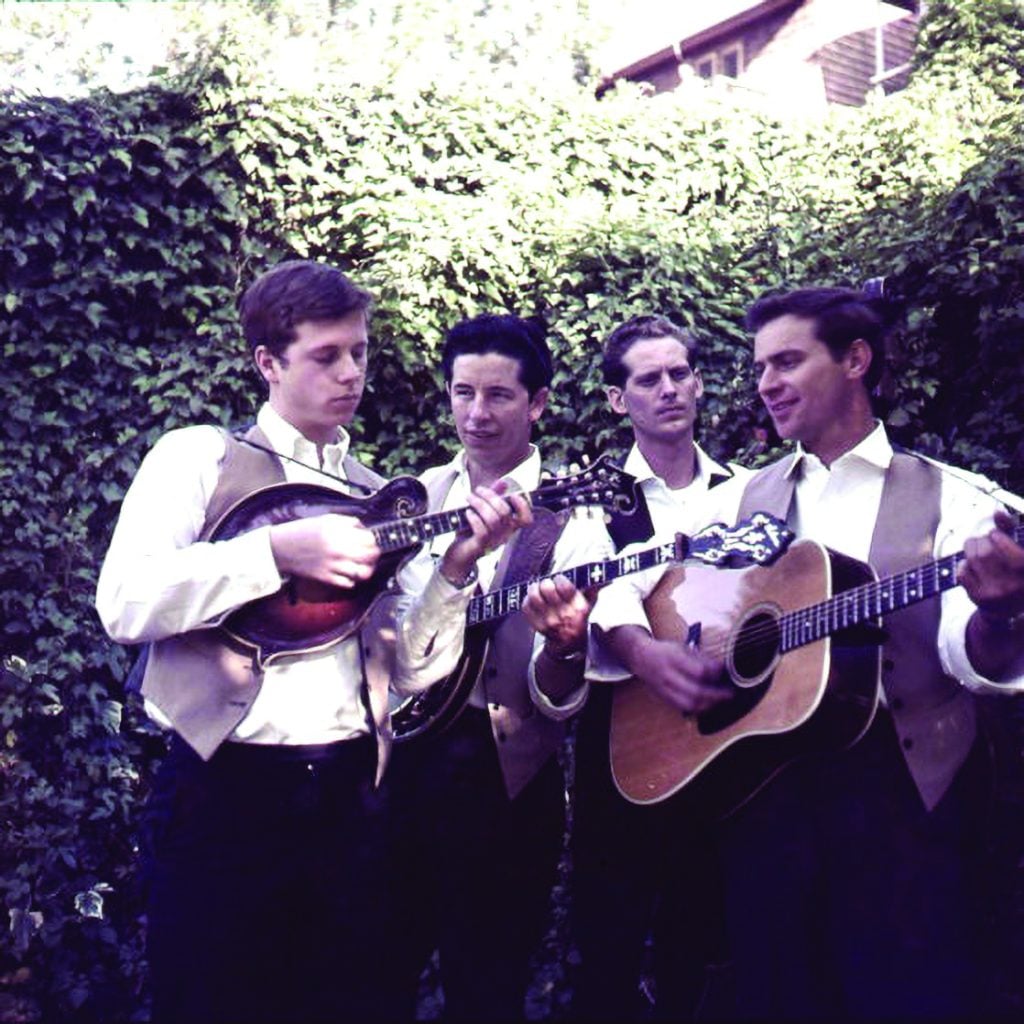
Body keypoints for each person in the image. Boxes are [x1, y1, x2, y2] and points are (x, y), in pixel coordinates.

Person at [597, 286, 1024, 1020]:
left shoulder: (955, 501)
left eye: (787, 362)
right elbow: (619, 582)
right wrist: (645, 654)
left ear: (855, 360)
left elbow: (971, 656)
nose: (765, 384)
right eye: (761, 366)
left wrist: (1005, 609)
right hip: (765, 800)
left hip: (903, 803)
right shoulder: (738, 500)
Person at [96, 260, 428, 1023]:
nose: (351, 373)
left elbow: (409, 667)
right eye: (326, 355)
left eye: (359, 352)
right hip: (224, 801)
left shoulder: (376, 493)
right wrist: (277, 553)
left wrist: (460, 573)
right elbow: (124, 603)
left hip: (355, 800)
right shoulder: (197, 457)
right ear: (267, 363)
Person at [388, 313, 613, 1021]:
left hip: (506, 786)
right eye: (462, 393)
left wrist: (569, 645)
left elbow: (560, 701)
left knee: (487, 991)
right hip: (393, 772)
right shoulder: (415, 499)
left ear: (538, 403)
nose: (476, 415)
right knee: (370, 978)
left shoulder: (574, 521)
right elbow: (391, 651)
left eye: (499, 396)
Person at [572, 315, 749, 1021]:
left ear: (700, 384)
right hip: (622, 739)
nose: (669, 389)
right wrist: (645, 653)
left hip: (721, 738)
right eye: (649, 379)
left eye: (680, 374)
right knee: (607, 944)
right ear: (620, 400)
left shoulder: (746, 492)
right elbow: (598, 587)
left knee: (702, 944)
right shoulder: (594, 498)